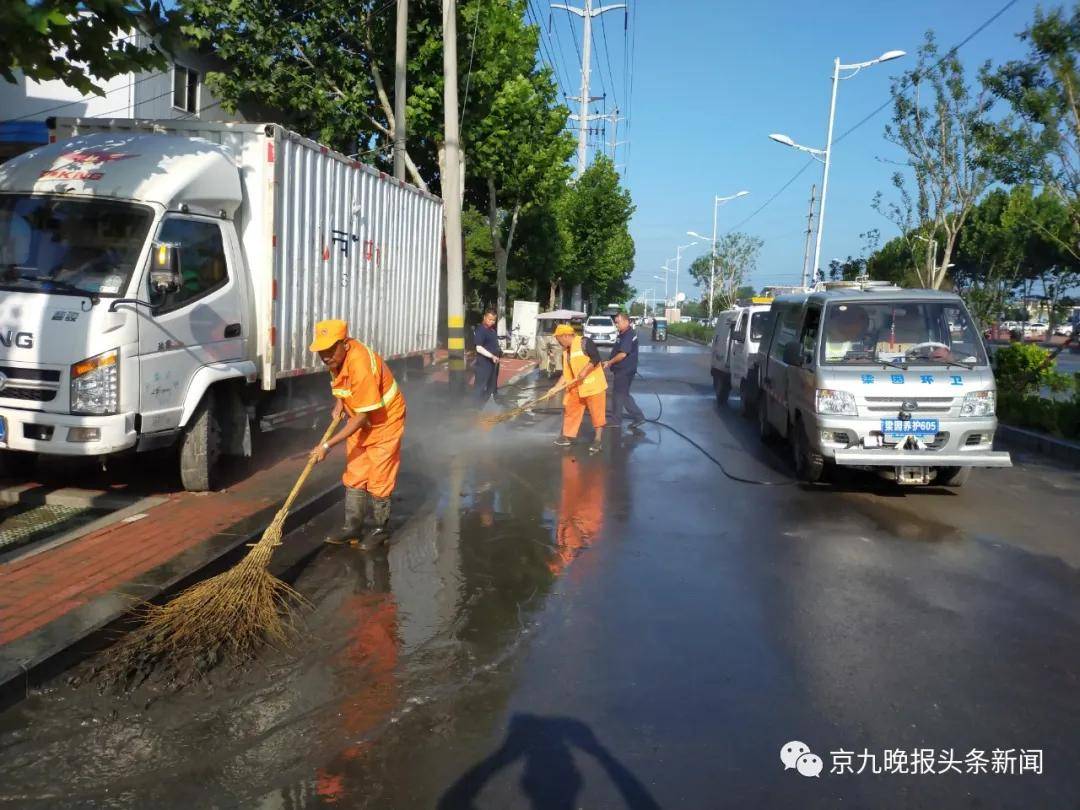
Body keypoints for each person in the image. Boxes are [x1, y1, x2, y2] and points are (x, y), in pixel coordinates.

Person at [309, 319, 407, 551]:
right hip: (360, 419)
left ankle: (379, 530)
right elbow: (343, 383)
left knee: (379, 478)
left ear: (345, 343)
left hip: (385, 421)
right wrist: (340, 402)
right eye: (321, 351)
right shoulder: (335, 358)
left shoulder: (360, 364)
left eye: (330, 350)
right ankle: (352, 528)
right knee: (355, 473)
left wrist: (327, 445)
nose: (325, 356)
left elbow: (363, 416)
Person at [551, 324, 607, 454]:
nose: (558, 342)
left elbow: (596, 358)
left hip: (594, 386)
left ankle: (598, 440)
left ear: (565, 336)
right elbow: (566, 374)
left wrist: (584, 371)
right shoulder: (566, 352)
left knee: (597, 414)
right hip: (576, 387)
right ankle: (568, 437)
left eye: (558, 339)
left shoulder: (585, 342)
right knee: (571, 410)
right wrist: (555, 388)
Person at [603, 311, 645, 430]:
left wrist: (609, 362)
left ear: (626, 321)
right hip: (623, 369)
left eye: (618, 322)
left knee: (619, 395)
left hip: (624, 370)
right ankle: (637, 417)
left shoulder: (628, 335)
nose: (616, 325)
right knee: (622, 394)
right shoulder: (623, 333)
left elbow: (622, 354)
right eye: (615, 323)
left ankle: (619, 420)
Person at [473, 309, 502, 404]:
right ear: (484, 317)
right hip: (483, 364)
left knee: (492, 386)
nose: (492, 322)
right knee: (480, 386)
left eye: (494, 320)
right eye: (490, 319)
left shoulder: (492, 330)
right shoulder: (481, 330)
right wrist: (492, 356)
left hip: (493, 364)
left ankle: (487, 404)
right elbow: (479, 348)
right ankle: (475, 407)